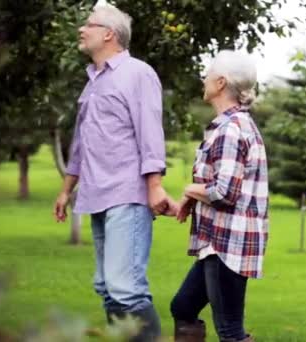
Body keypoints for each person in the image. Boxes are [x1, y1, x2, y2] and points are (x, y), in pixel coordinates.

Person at [53, 4, 175, 341]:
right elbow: (81, 142)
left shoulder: (138, 73)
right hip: (97, 195)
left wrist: (155, 186)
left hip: (126, 193)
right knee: (106, 287)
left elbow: (150, 132)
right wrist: (66, 189)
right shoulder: (92, 81)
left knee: (126, 288)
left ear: (109, 34)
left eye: (88, 25)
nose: (81, 29)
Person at [169, 50, 269, 342]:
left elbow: (225, 192)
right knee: (184, 306)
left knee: (230, 330)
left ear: (221, 82)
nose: (204, 78)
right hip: (217, 241)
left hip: (228, 244)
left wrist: (189, 190)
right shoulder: (232, 126)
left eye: (208, 73)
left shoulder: (231, 130)